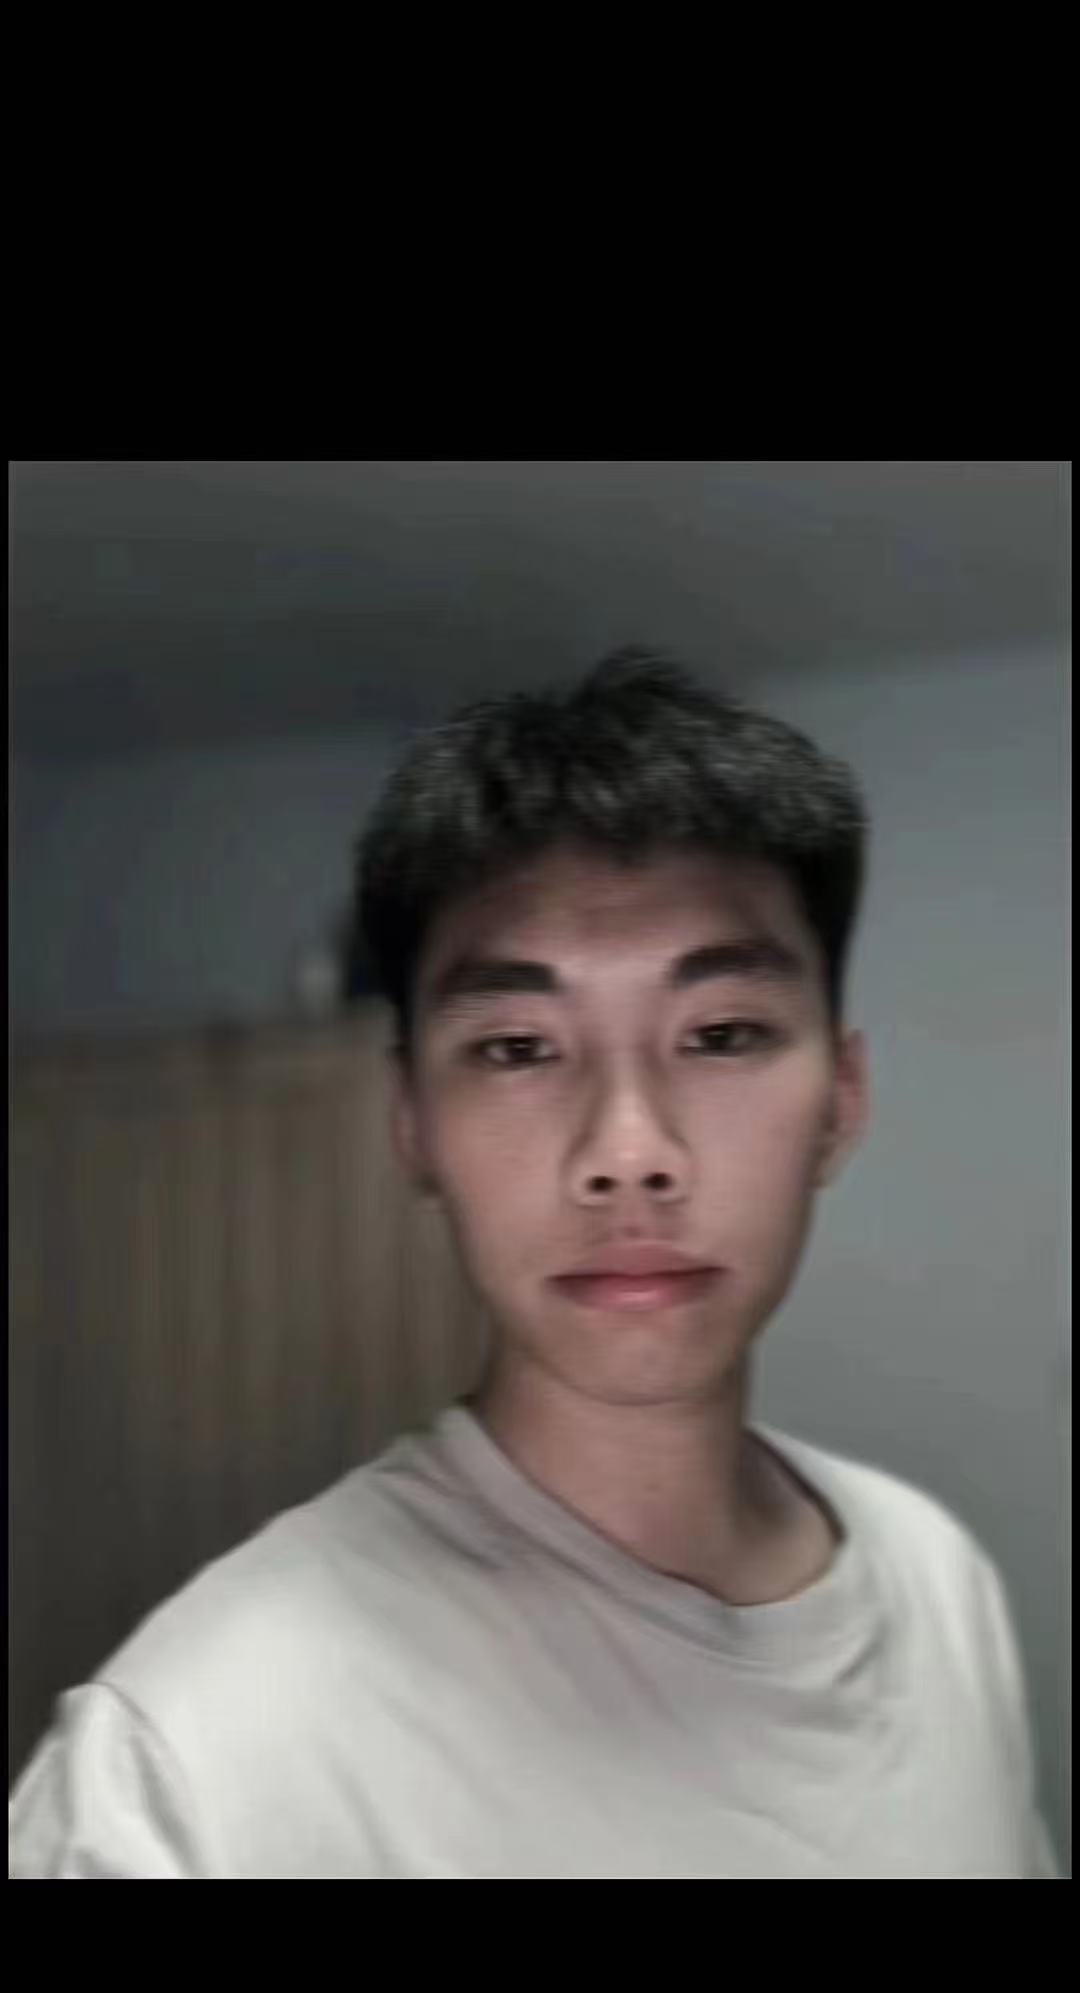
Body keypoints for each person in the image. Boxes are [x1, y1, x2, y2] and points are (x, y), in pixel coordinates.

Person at [9, 648, 1059, 1878]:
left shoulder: (935, 1578)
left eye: (722, 1034)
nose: (628, 1151)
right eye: (517, 1048)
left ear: (842, 1099)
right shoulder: (187, 1765)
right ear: (412, 1124)